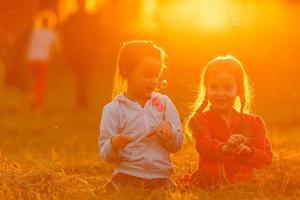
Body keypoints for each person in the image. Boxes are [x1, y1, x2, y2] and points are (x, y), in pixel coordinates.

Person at [99, 40, 183, 192]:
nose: (154, 81)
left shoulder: (164, 103)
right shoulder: (113, 109)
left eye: (157, 75)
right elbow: (105, 155)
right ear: (125, 72)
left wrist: (169, 133)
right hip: (126, 176)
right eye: (147, 75)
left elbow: (177, 145)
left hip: (161, 178)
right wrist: (113, 144)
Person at [183, 55, 273, 188]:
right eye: (214, 87)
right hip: (209, 183)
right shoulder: (200, 120)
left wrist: (248, 151)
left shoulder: (253, 123)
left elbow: (266, 159)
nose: (220, 93)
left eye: (228, 88)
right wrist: (225, 147)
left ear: (239, 90)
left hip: (244, 185)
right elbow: (204, 146)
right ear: (206, 90)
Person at [26, 17, 58, 111]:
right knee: (40, 82)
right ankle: (38, 102)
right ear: (49, 24)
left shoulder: (34, 32)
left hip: (31, 59)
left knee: (32, 80)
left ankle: (32, 98)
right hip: (43, 60)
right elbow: (56, 48)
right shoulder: (51, 34)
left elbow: (28, 44)